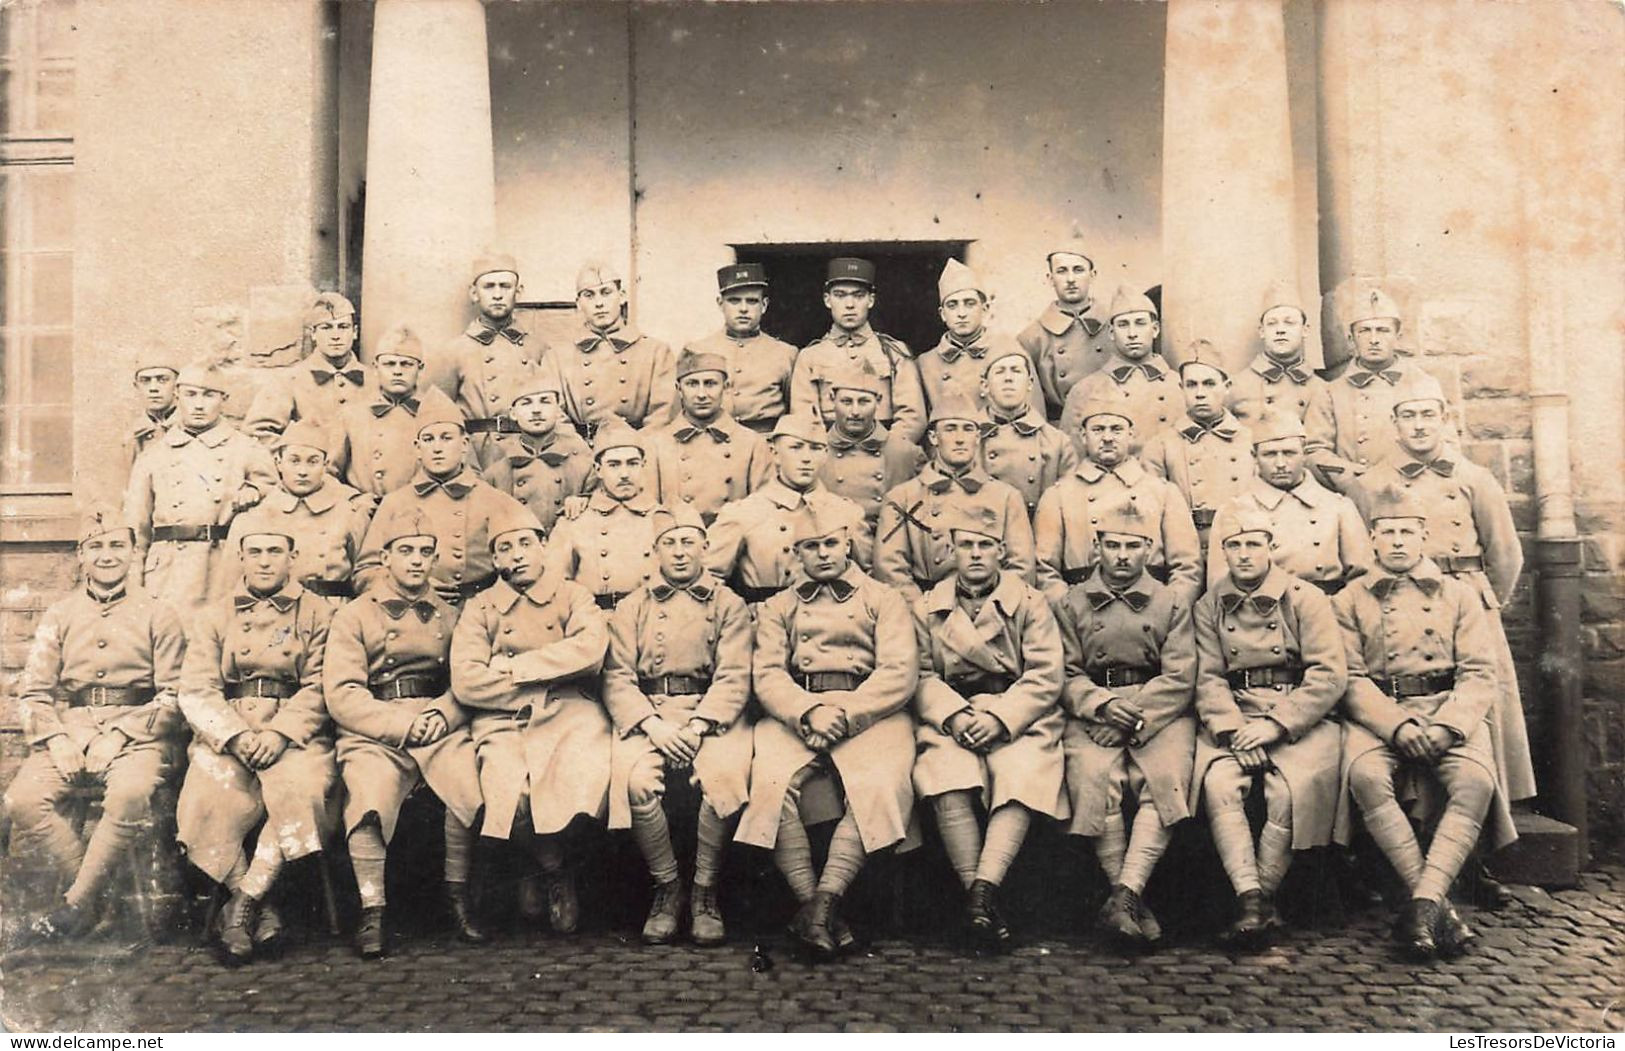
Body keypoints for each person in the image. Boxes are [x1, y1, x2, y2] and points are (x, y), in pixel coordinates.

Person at [1334, 488, 1517, 959]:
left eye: (1406, 532)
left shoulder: (1458, 595)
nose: (1397, 542)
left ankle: (1420, 904)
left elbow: (1479, 673)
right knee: (1366, 776)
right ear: (1372, 540)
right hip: (1381, 715)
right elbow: (1350, 678)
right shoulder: (1350, 599)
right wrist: (1395, 726)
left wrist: (1448, 726)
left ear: (1423, 536)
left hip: (1445, 710)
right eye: (1387, 532)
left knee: (1476, 781)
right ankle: (1435, 903)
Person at [736, 503, 918, 960]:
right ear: (796, 553)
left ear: (848, 544)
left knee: (879, 784)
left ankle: (823, 903)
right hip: (801, 713)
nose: (822, 555)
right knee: (770, 782)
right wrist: (807, 711)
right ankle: (814, 909)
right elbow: (769, 675)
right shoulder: (780, 606)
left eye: (831, 544)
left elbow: (899, 672)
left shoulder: (884, 598)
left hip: (871, 712)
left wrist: (847, 712)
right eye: (810, 547)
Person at [5, 505, 187, 942]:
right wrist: (56, 738)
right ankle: (96, 898)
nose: (107, 556)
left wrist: (123, 733)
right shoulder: (60, 614)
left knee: (127, 796)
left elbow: (176, 694)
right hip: (73, 728)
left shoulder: (159, 614)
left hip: (142, 734)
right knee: (23, 800)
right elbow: (33, 691)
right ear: (80, 557)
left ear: (133, 553)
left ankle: (75, 907)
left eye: (117, 546)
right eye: (96, 547)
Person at [1351, 394, 1535, 806]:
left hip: (1465, 596)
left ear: (1445, 419)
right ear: (1394, 423)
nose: (1419, 425)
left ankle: (1487, 808)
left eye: (1428, 415)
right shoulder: (1371, 483)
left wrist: (1482, 600)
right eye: (1408, 415)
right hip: (1398, 603)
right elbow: (1363, 550)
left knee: (1477, 700)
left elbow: (1506, 553)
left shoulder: (1475, 478)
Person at [323, 505, 486, 958]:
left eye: (425, 552)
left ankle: (457, 897)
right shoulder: (354, 615)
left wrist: (445, 714)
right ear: (386, 558)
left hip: (437, 724)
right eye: (406, 551)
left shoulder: (452, 615)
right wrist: (399, 724)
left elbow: (466, 678)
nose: (416, 560)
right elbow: (342, 693)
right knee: (369, 797)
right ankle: (373, 908)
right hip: (375, 728)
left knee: (466, 786)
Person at [175, 527, 338, 964]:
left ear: (292, 556)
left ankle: (244, 901)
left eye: (275, 551)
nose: (265, 561)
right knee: (206, 795)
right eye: (255, 552)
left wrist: (280, 732)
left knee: (299, 792)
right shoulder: (214, 615)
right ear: (241, 558)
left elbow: (323, 684)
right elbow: (196, 689)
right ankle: (258, 909)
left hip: (296, 735)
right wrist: (235, 735)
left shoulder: (318, 612)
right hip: (230, 735)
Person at [451, 503, 612, 936]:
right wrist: (527, 688)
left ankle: (547, 868)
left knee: (575, 776)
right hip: (500, 717)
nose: (518, 554)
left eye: (526, 543)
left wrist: (518, 669)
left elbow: (589, 651)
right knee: (508, 788)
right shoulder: (481, 606)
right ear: (496, 559)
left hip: (568, 710)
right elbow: (467, 682)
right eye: (506, 548)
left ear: (544, 547)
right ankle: (550, 867)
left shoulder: (573, 595)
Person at [912, 507, 1066, 951]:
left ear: (1001, 551)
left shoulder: (1031, 603)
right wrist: (956, 715)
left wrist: (1001, 718)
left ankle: (981, 895)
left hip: (1017, 714)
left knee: (1021, 776)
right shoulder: (928, 606)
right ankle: (978, 901)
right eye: (966, 545)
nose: (975, 554)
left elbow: (1044, 674)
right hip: (954, 714)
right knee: (946, 776)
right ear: (951, 550)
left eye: (985, 545)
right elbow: (919, 674)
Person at [1192, 509, 1347, 948]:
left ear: (1270, 548)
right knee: (1219, 781)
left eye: (1253, 544)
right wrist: (1232, 729)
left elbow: (1329, 674)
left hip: (1298, 717)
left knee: (1288, 789)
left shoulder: (1306, 598)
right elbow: (1207, 677)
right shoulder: (1209, 605)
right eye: (1234, 546)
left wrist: (1276, 725)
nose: (1244, 555)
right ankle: (1250, 899)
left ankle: (1264, 898)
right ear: (1222, 552)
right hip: (1237, 716)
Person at [602, 508, 754, 946]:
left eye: (689, 542)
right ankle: (667, 888)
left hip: (711, 714)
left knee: (724, 778)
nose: (680, 552)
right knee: (635, 782)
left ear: (705, 548)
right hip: (650, 713)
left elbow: (733, 675)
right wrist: (653, 725)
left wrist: (699, 724)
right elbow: (617, 676)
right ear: (655, 552)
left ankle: (705, 891)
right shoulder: (634, 605)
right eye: (670, 543)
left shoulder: (728, 604)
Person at [1054, 505, 1197, 950]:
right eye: (1112, 545)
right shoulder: (1070, 602)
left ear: (1149, 549)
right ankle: (1129, 901)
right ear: (1096, 548)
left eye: (1132, 546)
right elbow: (1064, 672)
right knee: (1095, 778)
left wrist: (1132, 717)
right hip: (1095, 713)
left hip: (1158, 713)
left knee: (1166, 779)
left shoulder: (1172, 601)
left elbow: (1180, 674)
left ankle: (1124, 894)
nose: (1121, 555)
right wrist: (1100, 705)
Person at [126, 362, 276, 622]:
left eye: (209, 395)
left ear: (224, 400)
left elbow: (275, 495)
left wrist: (255, 490)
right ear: (177, 397)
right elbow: (135, 531)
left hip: (221, 565)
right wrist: (133, 586)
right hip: (169, 569)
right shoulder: (154, 455)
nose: (199, 404)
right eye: (190, 395)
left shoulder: (246, 449)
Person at [353, 394, 529, 605]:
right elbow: (365, 573)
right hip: (415, 616)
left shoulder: (496, 501)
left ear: (464, 445)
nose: (437, 448)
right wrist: (411, 584)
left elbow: (527, 567)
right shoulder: (395, 503)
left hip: (481, 614)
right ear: (418, 449)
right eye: (429, 439)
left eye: (446, 438)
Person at [1033, 393, 1202, 607]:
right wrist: (1068, 609)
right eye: (1098, 430)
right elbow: (1044, 569)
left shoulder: (1163, 492)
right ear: (1083, 436)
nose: (1107, 438)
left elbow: (1187, 567)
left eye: (1116, 429)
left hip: (1150, 608)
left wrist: (1169, 609)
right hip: (1083, 610)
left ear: (1131, 435)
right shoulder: (1058, 495)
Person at [875, 393, 1034, 606]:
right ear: (933, 437)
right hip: (926, 611)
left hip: (991, 611)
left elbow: (1021, 567)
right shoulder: (901, 498)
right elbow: (890, 570)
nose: (960, 438)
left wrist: (990, 612)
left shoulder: (1006, 496)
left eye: (968, 429)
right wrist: (925, 612)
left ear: (978, 438)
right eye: (950, 429)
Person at [706, 413, 871, 603]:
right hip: (764, 622)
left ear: (826, 454)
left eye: (815, 448)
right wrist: (739, 616)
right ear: (775, 453)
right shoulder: (744, 513)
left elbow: (869, 578)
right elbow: (708, 577)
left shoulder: (847, 513)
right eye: (796, 448)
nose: (806, 458)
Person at [1208, 411, 1371, 594]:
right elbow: (1219, 586)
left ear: (1304, 453)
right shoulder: (1234, 510)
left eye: (1289, 453)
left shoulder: (1339, 507)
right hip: (1262, 615)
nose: (1280, 464)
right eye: (1270, 454)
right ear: (1254, 456)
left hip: (1327, 613)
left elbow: (1363, 579)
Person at [1308, 286, 1447, 493]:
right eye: (1364, 331)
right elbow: (1314, 451)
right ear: (1351, 338)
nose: (1374, 339)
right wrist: (1351, 479)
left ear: (1397, 336)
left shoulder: (1424, 383)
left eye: (1383, 330)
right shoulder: (1330, 392)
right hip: (1356, 493)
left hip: (1415, 493)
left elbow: (1448, 445)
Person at [226, 420, 374, 602]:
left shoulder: (350, 513)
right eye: (294, 461)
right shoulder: (254, 514)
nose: (302, 471)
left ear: (326, 465)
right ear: (278, 463)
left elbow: (365, 575)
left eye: (312, 462)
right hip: (275, 615)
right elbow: (230, 585)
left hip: (333, 613)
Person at [429, 253, 548, 470]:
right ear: (474, 293)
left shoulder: (537, 348)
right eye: (489, 286)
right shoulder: (454, 351)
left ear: (518, 292)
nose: (497, 294)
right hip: (478, 457)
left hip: (528, 454)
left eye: (505, 286)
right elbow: (438, 417)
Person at [790, 257, 927, 445]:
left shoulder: (894, 352)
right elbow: (804, 418)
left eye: (858, 295)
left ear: (870, 300)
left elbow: (913, 416)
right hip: (829, 455)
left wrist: (889, 451)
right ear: (827, 300)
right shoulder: (810, 356)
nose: (850, 305)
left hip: (884, 453)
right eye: (840, 295)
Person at [1140, 340, 1256, 560]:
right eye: (1192, 385)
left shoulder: (1251, 441)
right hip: (1183, 552)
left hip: (1240, 552)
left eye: (1209, 383)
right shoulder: (1160, 446)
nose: (1200, 393)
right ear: (1181, 389)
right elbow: (1151, 515)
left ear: (1227, 386)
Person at [544, 421, 675, 609]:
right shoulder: (574, 521)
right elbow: (554, 585)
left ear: (643, 465)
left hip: (652, 621)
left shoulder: (664, 519)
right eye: (614, 465)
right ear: (598, 470)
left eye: (632, 463)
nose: (624, 474)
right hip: (596, 620)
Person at [331, 325, 467, 499]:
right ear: (375, 367)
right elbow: (328, 474)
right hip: (365, 511)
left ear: (420, 368)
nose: (397, 371)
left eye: (406, 364)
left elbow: (463, 471)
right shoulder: (351, 413)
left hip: (418, 512)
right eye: (389, 364)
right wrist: (354, 498)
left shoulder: (438, 410)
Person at [550, 261, 677, 440]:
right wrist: (577, 450)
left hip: (635, 454)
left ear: (622, 296)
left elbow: (662, 416)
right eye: (589, 295)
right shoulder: (557, 356)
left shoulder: (656, 352)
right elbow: (554, 414)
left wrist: (633, 449)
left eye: (606, 293)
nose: (599, 303)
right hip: (579, 452)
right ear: (578, 304)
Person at [644, 350, 773, 524]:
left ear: (726, 387)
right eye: (692, 384)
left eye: (710, 384)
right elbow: (651, 511)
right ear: (679, 389)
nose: (702, 394)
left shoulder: (752, 443)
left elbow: (763, 509)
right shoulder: (656, 444)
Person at [246, 293, 374, 453]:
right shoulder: (289, 381)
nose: (335, 336)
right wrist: (298, 462)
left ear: (354, 332)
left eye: (343, 327)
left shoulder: (375, 381)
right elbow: (257, 432)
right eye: (326, 328)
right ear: (313, 333)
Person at [1058, 287, 1179, 456]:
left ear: (1155, 329)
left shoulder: (1181, 386)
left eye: (1140, 323)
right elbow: (1071, 458)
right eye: (1123, 325)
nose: (1132, 334)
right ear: (1112, 333)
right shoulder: (1085, 390)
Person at [916, 259, 1043, 419]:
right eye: (953, 305)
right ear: (942, 314)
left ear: (985, 309)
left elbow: (1035, 414)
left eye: (969, 304)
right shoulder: (927, 363)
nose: (961, 313)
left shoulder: (1009, 349)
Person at [815, 360, 925, 541]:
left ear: (879, 401)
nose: (855, 411)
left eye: (864, 401)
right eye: (846, 401)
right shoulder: (815, 452)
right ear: (832, 400)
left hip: (890, 545)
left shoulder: (906, 453)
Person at [682, 262, 798, 433]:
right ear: (720, 303)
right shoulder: (696, 350)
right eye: (734, 301)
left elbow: (796, 414)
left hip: (766, 444)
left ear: (764, 305)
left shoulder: (786, 354)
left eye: (751, 301)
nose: (743, 309)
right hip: (712, 442)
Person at [479, 370, 596, 536]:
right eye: (526, 403)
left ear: (558, 410)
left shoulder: (583, 466)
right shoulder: (496, 473)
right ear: (513, 413)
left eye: (545, 402)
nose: (536, 410)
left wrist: (584, 501)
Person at [1016, 240, 1114, 418]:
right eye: (1062, 271)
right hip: (1060, 430)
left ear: (1093, 275)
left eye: (1078, 270)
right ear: (1050, 278)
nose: (1070, 279)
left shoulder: (1116, 327)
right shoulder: (1031, 338)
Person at [976, 349, 1078, 518]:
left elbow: (1067, 506)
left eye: (1016, 371)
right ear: (985, 385)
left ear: (1030, 383)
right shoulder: (968, 440)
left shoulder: (1057, 442)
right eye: (999, 372)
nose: (1008, 378)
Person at [1226, 281, 1334, 437]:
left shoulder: (1322, 389)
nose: (1280, 330)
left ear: (1305, 330)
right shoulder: (1237, 386)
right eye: (1272, 324)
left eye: (1289, 323)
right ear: (1262, 331)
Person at [122, 358, 179, 474]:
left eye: (162, 380)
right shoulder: (130, 437)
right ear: (136, 386)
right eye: (145, 381)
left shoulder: (194, 429)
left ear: (177, 385)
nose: (153, 388)